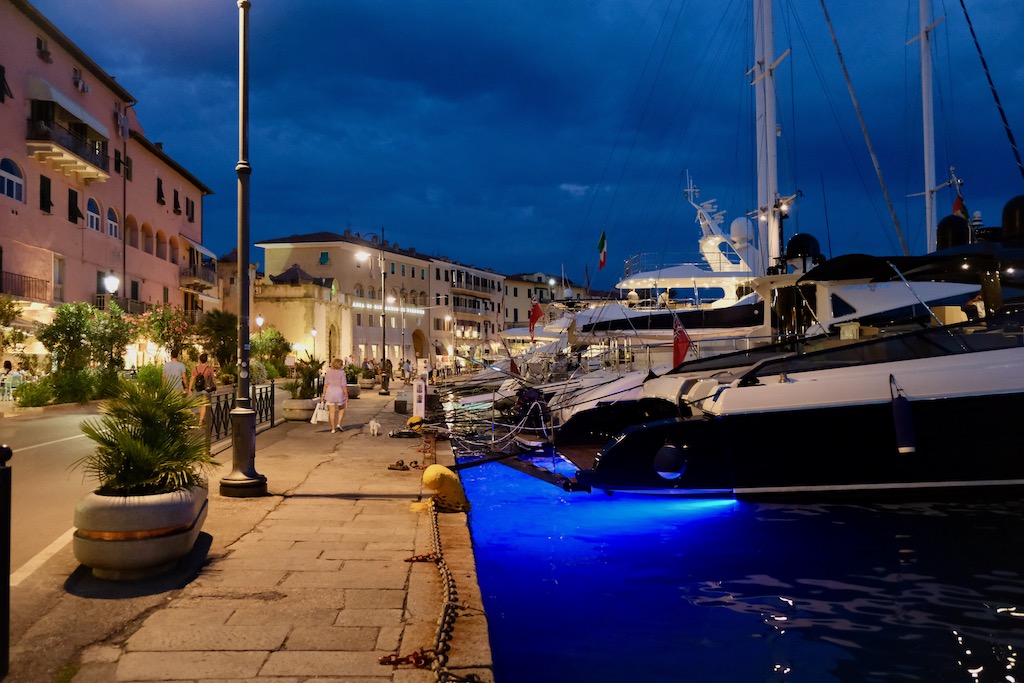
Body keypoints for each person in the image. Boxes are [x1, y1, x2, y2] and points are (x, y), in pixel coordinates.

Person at [321, 358, 349, 434]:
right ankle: (339, 424)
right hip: (339, 392)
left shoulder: (329, 372)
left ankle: (333, 429)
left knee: (332, 412)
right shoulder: (342, 373)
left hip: (330, 393)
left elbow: (326, 385)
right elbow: (343, 385)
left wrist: (323, 395)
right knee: (341, 409)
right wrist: (346, 395)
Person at [188, 352, 216, 426]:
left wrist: (190, 389)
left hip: (197, 389)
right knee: (203, 405)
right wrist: (215, 388)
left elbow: (192, 379)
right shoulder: (209, 369)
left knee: (197, 404)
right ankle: (200, 421)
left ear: (200, 360)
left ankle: (198, 416)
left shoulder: (195, 368)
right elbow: (213, 379)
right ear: (206, 360)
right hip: (205, 389)